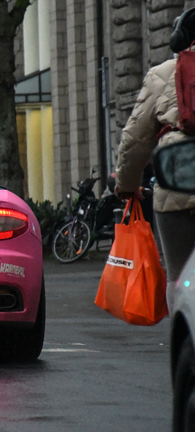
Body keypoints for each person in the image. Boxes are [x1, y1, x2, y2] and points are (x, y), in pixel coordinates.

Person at [115, 8, 195, 314]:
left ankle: (186, 348)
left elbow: (135, 140)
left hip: (174, 188)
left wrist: (127, 186)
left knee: (179, 278)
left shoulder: (161, 74)